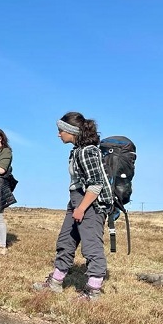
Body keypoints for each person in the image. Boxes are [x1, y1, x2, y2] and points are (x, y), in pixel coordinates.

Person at [33, 112, 113, 301]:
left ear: (72, 131)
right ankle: (55, 282)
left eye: (61, 131)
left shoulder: (87, 151)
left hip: (91, 203)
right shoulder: (77, 150)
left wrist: (81, 208)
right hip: (77, 199)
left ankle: (93, 292)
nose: (58, 134)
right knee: (65, 241)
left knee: (91, 246)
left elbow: (96, 183)